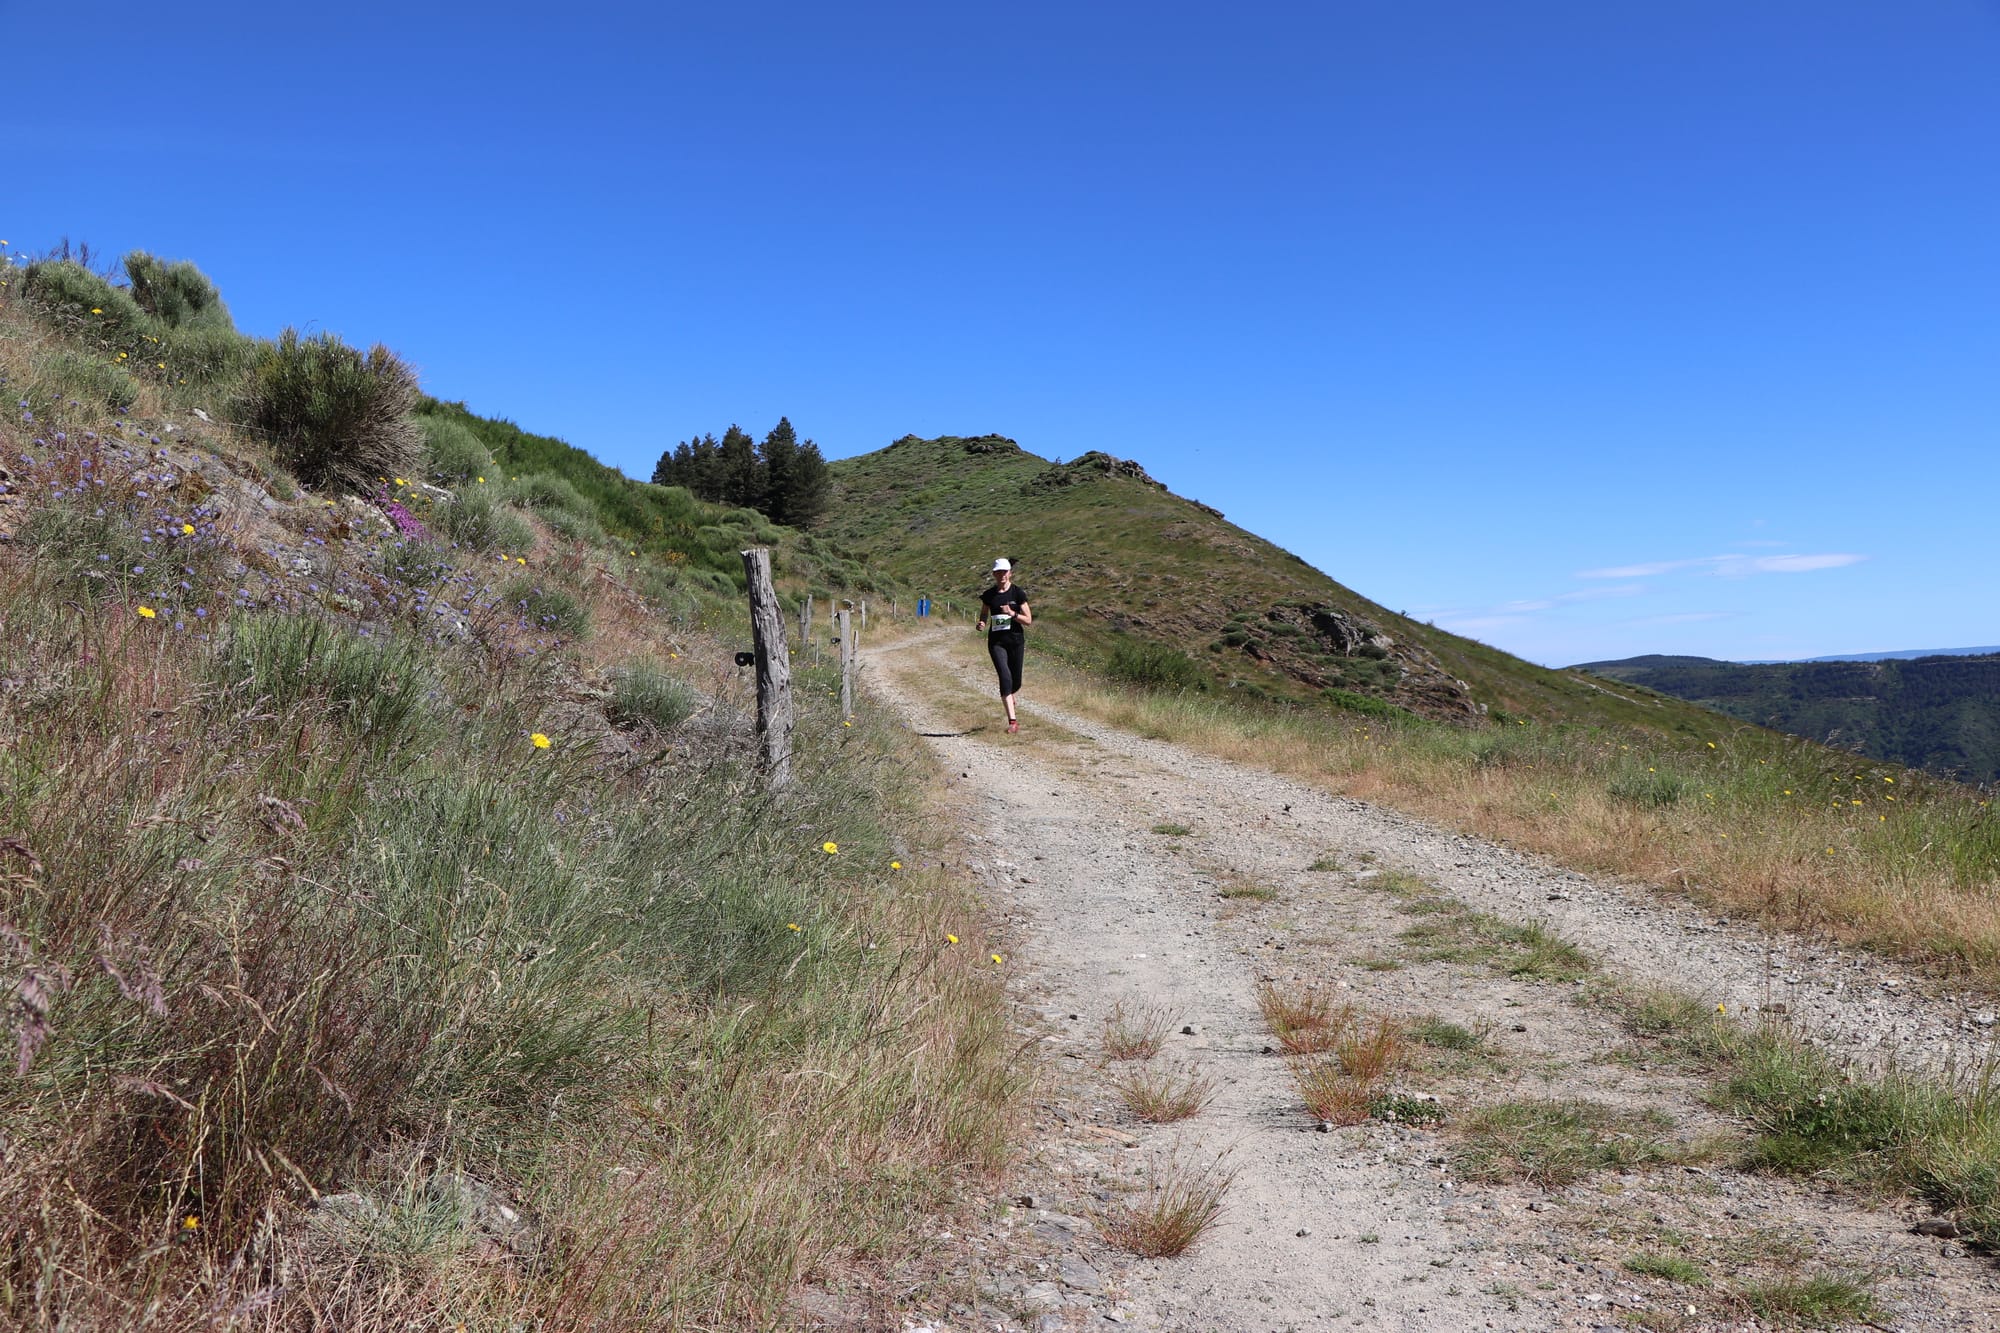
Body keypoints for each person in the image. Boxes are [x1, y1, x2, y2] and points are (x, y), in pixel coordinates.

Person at [974, 558, 1032, 733]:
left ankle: (1011, 694)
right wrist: (982, 623)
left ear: (1010, 573)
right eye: (998, 572)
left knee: (1016, 682)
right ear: (994, 574)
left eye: (1005, 572)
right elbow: (984, 613)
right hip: (996, 643)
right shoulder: (989, 595)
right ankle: (1013, 722)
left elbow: (1028, 620)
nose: (1002, 575)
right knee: (1005, 678)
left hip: (1015, 642)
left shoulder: (1018, 593)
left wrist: (1012, 613)